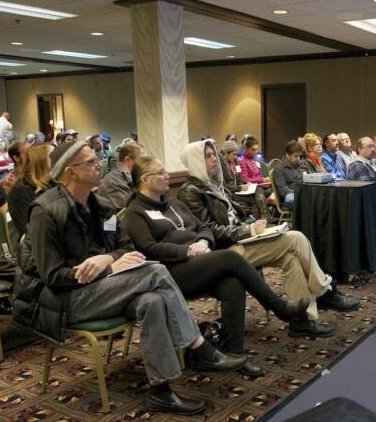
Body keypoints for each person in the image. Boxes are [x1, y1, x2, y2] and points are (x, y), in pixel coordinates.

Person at [14, 142, 244, 415]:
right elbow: (52, 277)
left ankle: (161, 390)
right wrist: (108, 268)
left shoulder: (98, 204)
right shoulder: (45, 211)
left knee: (152, 300)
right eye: (90, 162)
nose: (100, 163)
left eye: (96, 158)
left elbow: (126, 248)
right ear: (70, 172)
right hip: (62, 300)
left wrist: (108, 258)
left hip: (99, 289)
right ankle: (199, 347)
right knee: (156, 271)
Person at [122, 155, 310, 363]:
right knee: (230, 257)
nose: (167, 176)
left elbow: (203, 227)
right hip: (169, 273)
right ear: (145, 180)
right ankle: (279, 307)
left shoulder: (173, 203)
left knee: (232, 284)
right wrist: (186, 251)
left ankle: (234, 353)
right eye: (161, 173)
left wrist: (203, 242)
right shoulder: (135, 213)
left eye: (166, 172)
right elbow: (149, 248)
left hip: (197, 262)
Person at [178, 139, 359, 337]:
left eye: (213, 154)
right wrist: (248, 230)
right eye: (207, 156)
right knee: (296, 238)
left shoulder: (213, 184)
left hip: (240, 241)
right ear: (195, 161)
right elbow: (210, 231)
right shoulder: (190, 192)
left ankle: (301, 319)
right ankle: (325, 290)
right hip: (224, 253)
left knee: (292, 258)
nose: (214, 159)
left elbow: (236, 215)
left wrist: (253, 225)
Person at [7, 144, 52, 246]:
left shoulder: (54, 184)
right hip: (40, 248)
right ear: (40, 161)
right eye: (52, 155)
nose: (58, 158)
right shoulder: (19, 191)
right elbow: (28, 233)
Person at [95, 141, 142, 214]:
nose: (145, 164)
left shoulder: (128, 177)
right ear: (128, 160)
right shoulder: (113, 181)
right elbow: (130, 211)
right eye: (142, 160)